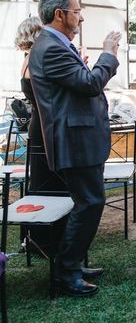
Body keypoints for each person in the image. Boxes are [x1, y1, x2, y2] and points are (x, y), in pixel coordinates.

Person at [29, 0, 121, 297]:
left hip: (79, 138)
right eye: (77, 10)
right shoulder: (50, 47)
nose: (80, 15)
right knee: (90, 203)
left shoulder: (55, 43)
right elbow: (90, 84)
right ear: (60, 15)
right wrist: (108, 54)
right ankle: (66, 272)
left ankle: (71, 264)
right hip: (74, 141)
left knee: (87, 203)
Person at [15, 16, 67, 258]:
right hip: (44, 126)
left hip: (38, 123)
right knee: (49, 182)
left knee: (42, 179)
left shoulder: (26, 60)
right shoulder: (35, 61)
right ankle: (44, 238)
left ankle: (38, 237)